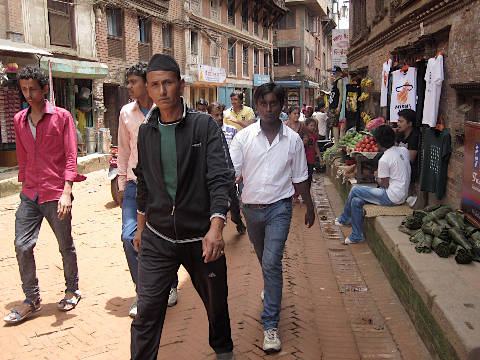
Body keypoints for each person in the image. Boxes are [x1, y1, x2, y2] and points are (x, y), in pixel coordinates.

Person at [130, 54, 234, 360]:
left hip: (201, 238)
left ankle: (224, 351)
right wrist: (140, 229)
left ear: (181, 85)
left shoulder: (204, 127)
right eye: (155, 85)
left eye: (168, 83)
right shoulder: (146, 132)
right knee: (147, 311)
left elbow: (220, 178)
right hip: (158, 237)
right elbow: (144, 183)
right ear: (147, 90)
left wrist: (216, 227)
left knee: (217, 305)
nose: (162, 91)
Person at [229, 82, 315, 353]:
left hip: (280, 207)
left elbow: (301, 177)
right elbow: (230, 173)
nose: (268, 109)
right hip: (251, 209)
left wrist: (310, 205)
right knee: (263, 256)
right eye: (263, 104)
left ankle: (270, 326)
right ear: (256, 106)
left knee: (272, 260)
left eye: (273, 104)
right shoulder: (243, 139)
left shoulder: (293, 141)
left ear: (281, 107)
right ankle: (270, 286)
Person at [4, 66, 85, 324]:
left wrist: (67, 192)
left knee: (65, 245)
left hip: (55, 192)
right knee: (21, 245)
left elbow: (71, 156)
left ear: (44, 90)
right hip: (30, 193)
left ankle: (72, 288)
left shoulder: (62, 117)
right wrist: (24, 183)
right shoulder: (19, 119)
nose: (27, 94)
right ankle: (32, 298)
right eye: (24, 89)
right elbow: (23, 155)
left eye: (32, 89)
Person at [117, 63, 179, 318]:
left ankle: (171, 285)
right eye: (128, 82)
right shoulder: (125, 113)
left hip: (162, 187)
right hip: (134, 185)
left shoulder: (164, 109)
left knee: (164, 237)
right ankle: (143, 292)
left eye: (133, 82)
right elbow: (123, 149)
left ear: (146, 83)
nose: (129, 87)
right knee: (129, 237)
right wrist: (121, 184)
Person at [335, 125, 411, 244]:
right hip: (401, 194)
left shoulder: (385, 159)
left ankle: (344, 219)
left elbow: (384, 184)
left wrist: (377, 176)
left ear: (379, 143)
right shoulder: (403, 150)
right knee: (356, 201)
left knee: (355, 190)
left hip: (391, 196)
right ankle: (356, 235)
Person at [207, 101, 247, 234]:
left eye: (220, 115)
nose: (219, 118)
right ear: (209, 115)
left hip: (228, 175)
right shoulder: (204, 133)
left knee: (234, 205)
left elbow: (239, 153)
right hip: (211, 175)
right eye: (215, 115)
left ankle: (238, 222)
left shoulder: (232, 131)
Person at [395, 109, 420, 183]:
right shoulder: (400, 134)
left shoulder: (414, 137)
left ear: (410, 123)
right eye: (398, 121)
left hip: (407, 171)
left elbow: (409, 160)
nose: (398, 124)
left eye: (401, 122)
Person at [301, 118, 323, 188]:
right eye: (311, 125)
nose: (313, 127)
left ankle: (307, 190)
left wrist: (320, 158)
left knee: (310, 175)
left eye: (314, 126)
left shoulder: (315, 135)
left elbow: (316, 146)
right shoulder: (302, 135)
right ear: (306, 126)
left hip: (311, 158)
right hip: (303, 158)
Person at [328, 66, 344, 144]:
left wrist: (339, 106)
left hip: (335, 106)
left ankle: (336, 143)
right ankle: (336, 142)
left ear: (338, 72)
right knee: (333, 124)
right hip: (332, 105)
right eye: (333, 73)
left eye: (334, 73)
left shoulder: (339, 81)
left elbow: (341, 94)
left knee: (335, 125)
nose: (333, 74)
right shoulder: (335, 81)